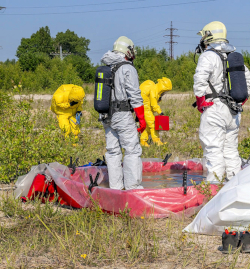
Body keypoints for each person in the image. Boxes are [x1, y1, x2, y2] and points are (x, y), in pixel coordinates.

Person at [193, 21, 250, 182]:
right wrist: (240, 102)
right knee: (231, 152)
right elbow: (248, 80)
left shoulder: (208, 56)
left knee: (213, 151)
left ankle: (213, 191)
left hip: (214, 109)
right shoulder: (234, 56)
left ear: (208, 36)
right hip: (233, 111)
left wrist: (200, 102)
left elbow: (199, 81)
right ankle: (233, 191)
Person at [100, 36, 146, 190]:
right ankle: (133, 189)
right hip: (122, 114)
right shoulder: (127, 68)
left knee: (113, 152)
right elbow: (135, 96)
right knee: (132, 150)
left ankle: (115, 189)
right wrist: (142, 119)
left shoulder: (107, 66)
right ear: (128, 51)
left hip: (106, 115)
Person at [140, 77, 172, 147]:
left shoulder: (156, 90)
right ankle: (157, 142)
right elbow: (153, 104)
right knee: (153, 125)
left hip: (147, 109)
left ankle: (143, 141)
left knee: (148, 127)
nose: (164, 93)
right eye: (164, 91)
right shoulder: (154, 89)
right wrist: (160, 112)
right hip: (146, 109)